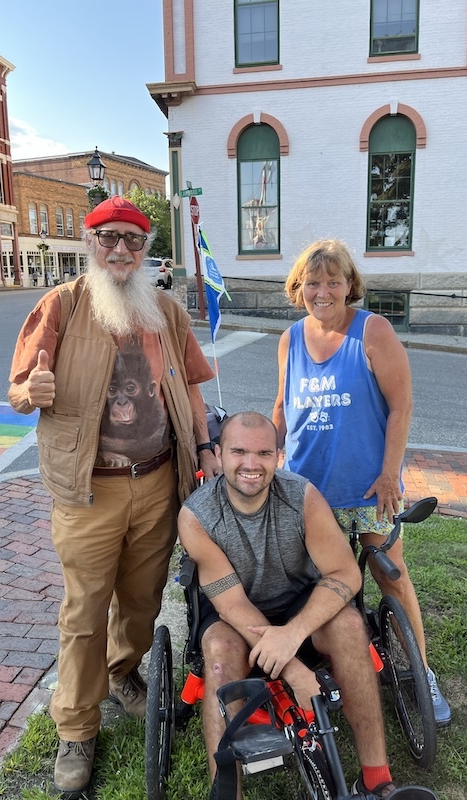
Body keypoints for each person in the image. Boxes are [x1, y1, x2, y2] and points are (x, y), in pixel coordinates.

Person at [8, 196, 219, 798]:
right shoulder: (63, 306)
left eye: (132, 239)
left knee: (142, 598)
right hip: (89, 491)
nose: (121, 250)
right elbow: (19, 389)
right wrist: (34, 390)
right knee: (82, 612)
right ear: (90, 242)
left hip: (157, 481)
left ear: (145, 248)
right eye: (109, 239)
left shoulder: (167, 312)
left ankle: (123, 673)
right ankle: (75, 725)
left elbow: (194, 390)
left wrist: (204, 449)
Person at [272, 238, 451, 728]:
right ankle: (335, 662)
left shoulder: (373, 331)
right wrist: (263, 452)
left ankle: (422, 673)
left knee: (390, 573)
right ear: (298, 287)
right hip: (310, 491)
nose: (323, 291)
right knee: (319, 583)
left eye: (334, 281)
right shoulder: (290, 339)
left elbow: (401, 406)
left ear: (350, 285)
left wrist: (390, 472)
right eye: (313, 282)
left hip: (369, 487)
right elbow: (283, 407)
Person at [179, 411, 398, 799]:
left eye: (264, 453)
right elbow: (231, 604)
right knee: (218, 654)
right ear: (218, 453)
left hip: (298, 601)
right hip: (234, 612)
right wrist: (294, 671)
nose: (251, 464)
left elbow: (346, 574)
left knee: (349, 627)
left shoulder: (301, 496)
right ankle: (226, 793)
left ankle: (377, 780)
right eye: (239, 452)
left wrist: (292, 634)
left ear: (279, 456)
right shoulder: (197, 516)